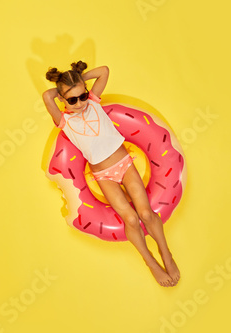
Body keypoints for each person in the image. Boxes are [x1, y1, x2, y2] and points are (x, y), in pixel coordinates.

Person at [42, 61, 180, 287]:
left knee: (145, 213)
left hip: (125, 164)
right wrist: (63, 88)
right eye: (73, 100)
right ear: (63, 99)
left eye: (82, 96)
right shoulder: (64, 121)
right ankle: (150, 262)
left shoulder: (93, 103)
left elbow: (104, 71)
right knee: (130, 218)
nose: (80, 103)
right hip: (104, 175)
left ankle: (166, 254)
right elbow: (47, 97)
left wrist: (78, 79)